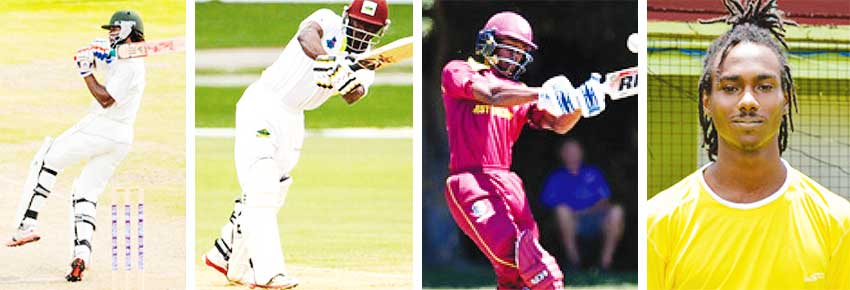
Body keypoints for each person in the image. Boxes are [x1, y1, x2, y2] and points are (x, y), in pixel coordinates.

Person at [647, 0, 850, 289]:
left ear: (786, 98)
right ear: (707, 100)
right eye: (730, 88)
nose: (748, 102)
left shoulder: (838, 222)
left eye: (764, 87)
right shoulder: (657, 221)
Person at [200, 0, 390, 288]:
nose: (362, 31)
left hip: (294, 121)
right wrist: (326, 60)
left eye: (370, 28)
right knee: (262, 187)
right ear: (346, 16)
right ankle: (268, 274)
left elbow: (355, 94)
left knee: (273, 192)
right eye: (359, 23)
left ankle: (225, 253)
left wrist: (344, 78)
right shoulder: (326, 19)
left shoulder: (365, 64)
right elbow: (306, 37)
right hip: (264, 103)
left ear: (379, 31)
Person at [441, 11, 611, 289]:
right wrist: (542, 91)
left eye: (522, 52)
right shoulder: (459, 70)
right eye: (511, 47)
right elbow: (492, 94)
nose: (516, 56)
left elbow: (557, 124)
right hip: (471, 181)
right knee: (529, 265)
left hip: (509, 184)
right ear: (488, 43)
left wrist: (582, 102)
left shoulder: (519, 90)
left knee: (513, 279)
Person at [5, 10, 146, 282]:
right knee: (85, 192)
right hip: (120, 138)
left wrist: (86, 71)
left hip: (102, 127)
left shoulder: (131, 64)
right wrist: (99, 51)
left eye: (114, 31)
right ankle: (81, 256)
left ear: (129, 30)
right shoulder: (126, 58)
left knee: (46, 159)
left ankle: (26, 224)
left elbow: (105, 99)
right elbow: (112, 58)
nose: (110, 34)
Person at [541, 139, 624, 270]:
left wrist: (587, 211)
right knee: (562, 212)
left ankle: (605, 263)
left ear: (581, 152)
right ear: (561, 154)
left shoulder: (594, 173)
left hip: (596, 218)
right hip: (572, 221)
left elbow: (605, 199)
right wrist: (574, 213)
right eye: (568, 151)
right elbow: (549, 203)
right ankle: (574, 262)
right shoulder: (556, 178)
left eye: (575, 150)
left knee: (617, 211)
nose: (572, 154)